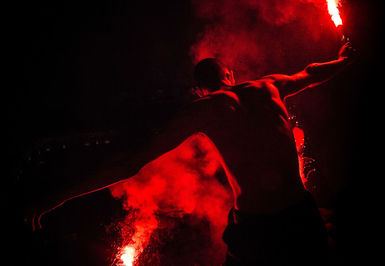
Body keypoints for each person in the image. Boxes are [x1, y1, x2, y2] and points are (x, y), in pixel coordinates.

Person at [28, 43, 355, 264]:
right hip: (300, 215)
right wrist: (344, 59)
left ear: (200, 90)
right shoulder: (268, 85)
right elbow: (311, 73)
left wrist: (61, 197)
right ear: (231, 76)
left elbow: (130, 163)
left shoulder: (201, 110)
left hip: (257, 228)